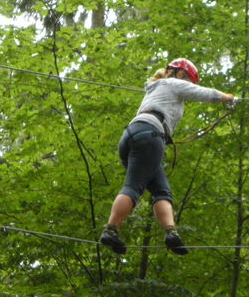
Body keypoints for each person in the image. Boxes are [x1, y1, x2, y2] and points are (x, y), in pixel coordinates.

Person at [100, 58, 235, 255]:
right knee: (133, 187)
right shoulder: (172, 83)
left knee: (161, 190)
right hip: (149, 136)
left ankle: (172, 234)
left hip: (132, 137)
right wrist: (227, 97)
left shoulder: (155, 89)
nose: (189, 86)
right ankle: (110, 229)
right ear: (180, 74)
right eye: (188, 80)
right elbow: (203, 93)